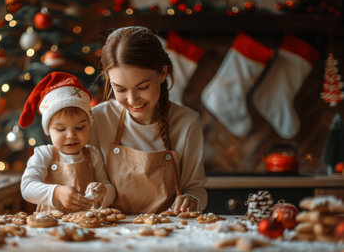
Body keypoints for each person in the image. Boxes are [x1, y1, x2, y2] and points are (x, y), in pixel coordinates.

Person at [90, 26, 207, 214]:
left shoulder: (187, 123)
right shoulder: (97, 119)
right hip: (110, 235)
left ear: (162, 73)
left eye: (142, 87)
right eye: (120, 89)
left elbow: (195, 189)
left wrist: (191, 200)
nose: (132, 99)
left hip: (167, 233)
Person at [19, 71, 116, 213]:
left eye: (80, 127)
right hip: (50, 225)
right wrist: (56, 192)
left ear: (88, 125)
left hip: (87, 224)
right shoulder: (44, 154)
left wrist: (104, 191)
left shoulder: (93, 154)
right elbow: (26, 188)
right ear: (48, 130)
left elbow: (110, 188)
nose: (71, 135)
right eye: (60, 129)